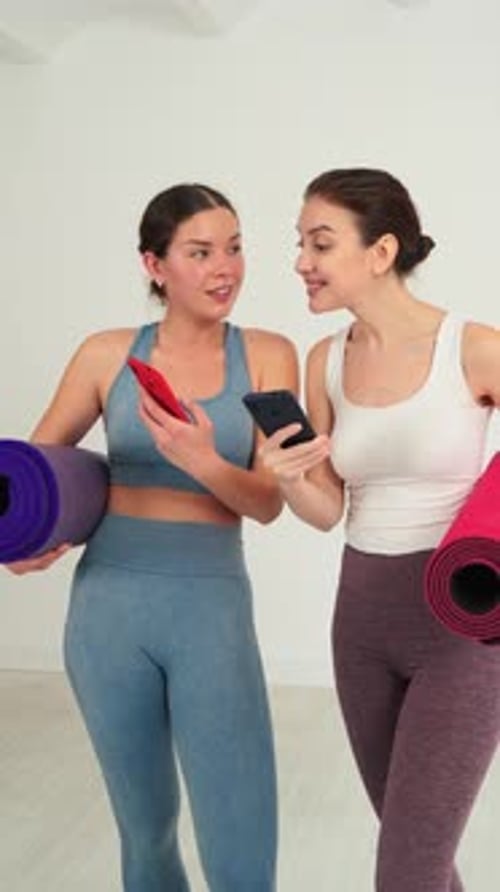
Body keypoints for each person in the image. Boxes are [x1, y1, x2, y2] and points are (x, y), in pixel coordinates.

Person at [6, 182, 299, 892]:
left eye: (233, 247)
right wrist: (28, 544)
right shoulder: (106, 356)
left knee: (240, 846)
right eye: (200, 252)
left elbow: (268, 504)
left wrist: (201, 456)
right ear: (154, 264)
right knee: (147, 833)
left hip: (211, 610)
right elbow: (32, 478)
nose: (224, 267)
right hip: (108, 610)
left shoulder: (266, 355)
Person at [260, 167, 500, 892]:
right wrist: (291, 475)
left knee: (407, 870)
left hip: (458, 628)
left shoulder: (474, 346)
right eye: (300, 243)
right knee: (416, 853)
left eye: (321, 243)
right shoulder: (324, 361)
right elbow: (330, 510)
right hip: (360, 621)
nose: (302, 261)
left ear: (381, 251)